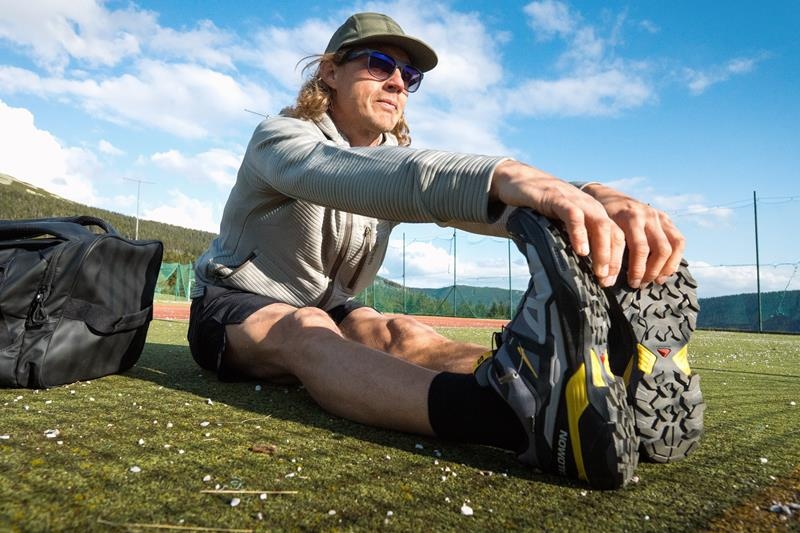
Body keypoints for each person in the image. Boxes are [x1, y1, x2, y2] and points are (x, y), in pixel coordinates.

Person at [189, 12, 704, 489]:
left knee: (401, 332)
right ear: (330, 72)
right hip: (234, 302)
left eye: (409, 76)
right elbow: (348, 175)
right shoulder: (279, 138)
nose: (397, 82)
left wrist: (588, 199)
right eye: (379, 64)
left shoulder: (395, 158)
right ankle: (506, 419)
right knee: (307, 329)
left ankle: (570, 392)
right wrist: (501, 174)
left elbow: (479, 204)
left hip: (333, 303)